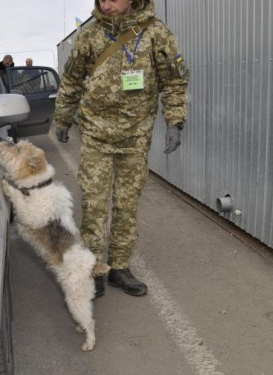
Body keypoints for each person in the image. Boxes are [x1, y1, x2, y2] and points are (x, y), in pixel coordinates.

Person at [54, 0, 189, 298]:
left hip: (135, 137)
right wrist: (63, 119)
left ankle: (120, 267)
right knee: (94, 204)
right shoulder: (89, 36)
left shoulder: (155, 33)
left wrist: (175, 123)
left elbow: (174, 81)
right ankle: (94, 268)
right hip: (95, 135)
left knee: (127, 204)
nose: (107, 4)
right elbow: (72, 80)